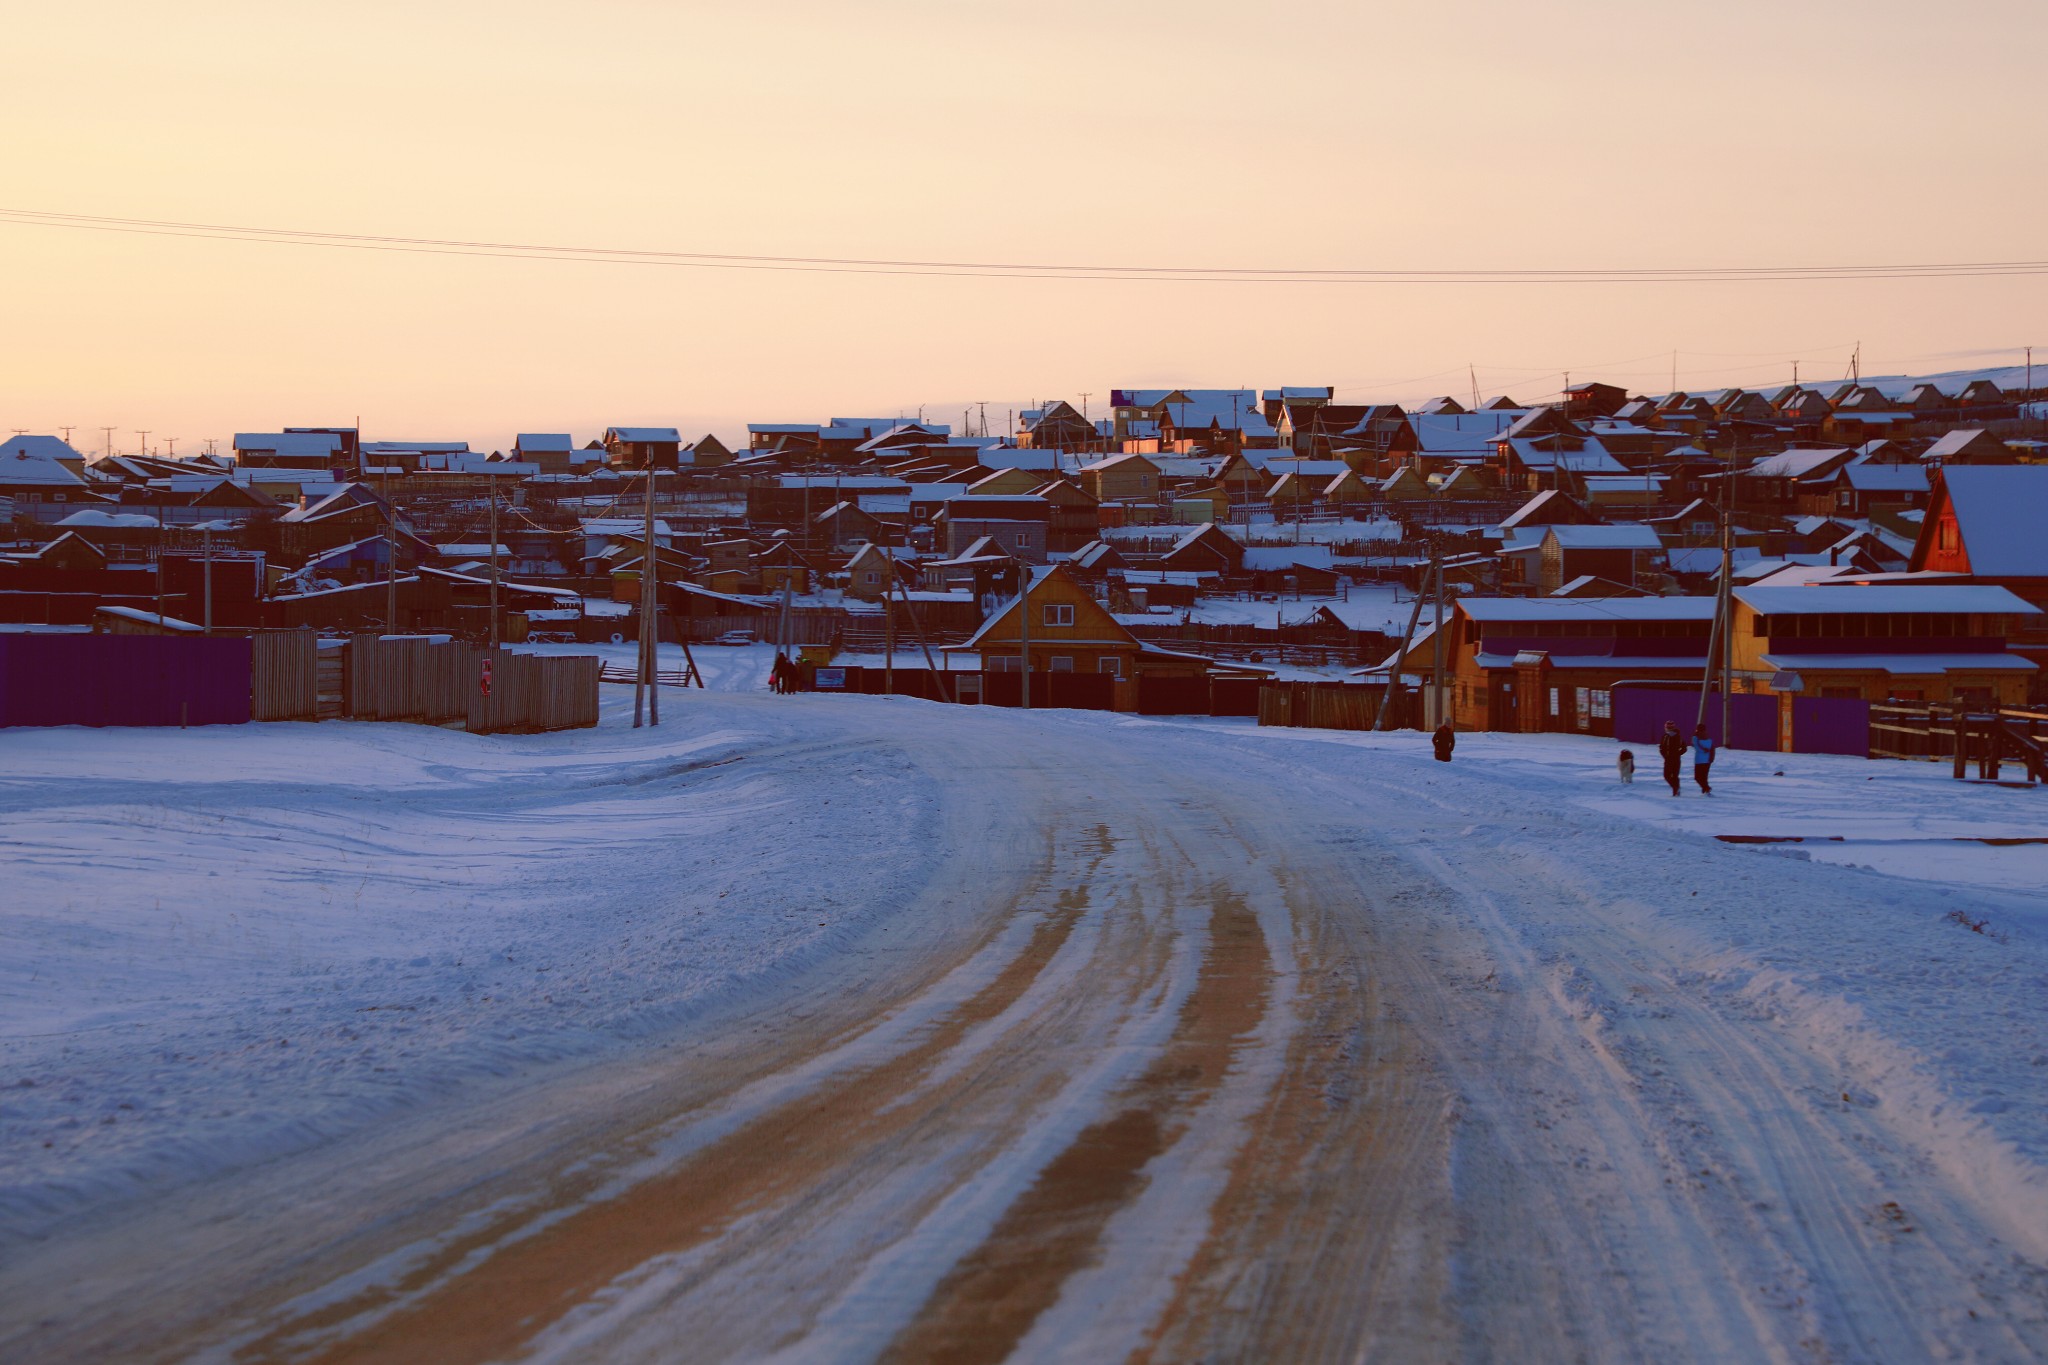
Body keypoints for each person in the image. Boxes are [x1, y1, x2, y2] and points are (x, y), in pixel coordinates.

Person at [1657, 721, 1686, 796]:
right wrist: (1678, 754)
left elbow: (1662, 748)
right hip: (1675, 759)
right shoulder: (1677, 736)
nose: (1666, 729)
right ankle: (1676, 790)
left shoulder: (1667, 736)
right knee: (1674, 776)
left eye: (1667, 727)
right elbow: (1684, 748)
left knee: (1667, 775)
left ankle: (1676, 789)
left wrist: (1667, 755)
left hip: (1671, 759)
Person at [1691, 722, 1717, 795]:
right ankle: (1705, 791)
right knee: (1704, 777)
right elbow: (1712, 749)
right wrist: (1712, 758)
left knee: (1697, 777)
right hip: (1708, 761)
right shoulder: (1709, 739)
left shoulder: (1695, 738)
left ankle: (1706, 788)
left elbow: (1697, 747)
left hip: (1699, 760)